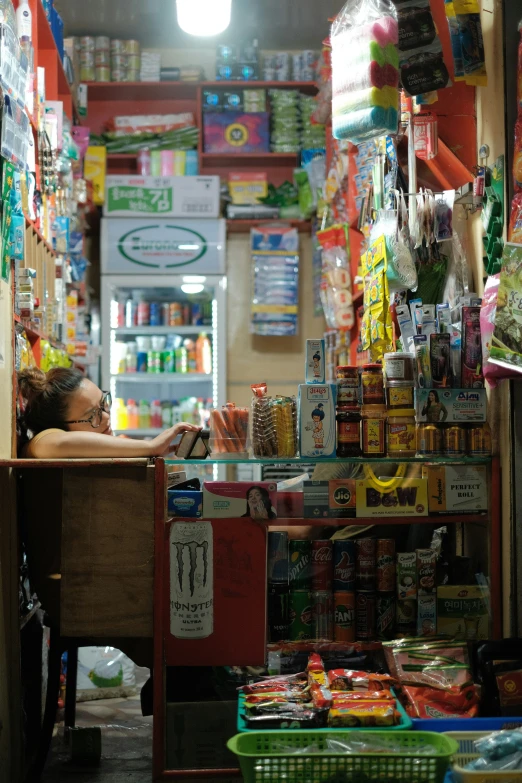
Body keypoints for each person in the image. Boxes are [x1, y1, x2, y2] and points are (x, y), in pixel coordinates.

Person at [18, 367, 200, 458]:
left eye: (103, 403)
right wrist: (150, 446)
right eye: (91, 415)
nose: (106, 416)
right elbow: (55, 443)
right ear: (58, 425)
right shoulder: (42, 442)